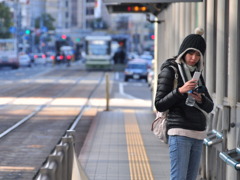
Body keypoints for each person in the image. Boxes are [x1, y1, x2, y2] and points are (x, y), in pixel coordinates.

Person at [154, 28, 214, 180]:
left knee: (190, 178)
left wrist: (200, 98)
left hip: (198, 132)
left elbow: (210, 106)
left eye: (198, 54)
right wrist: (180, 91)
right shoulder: (170, 71)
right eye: (190, 53)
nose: (193, 58)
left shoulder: (197, 75)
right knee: (179, 177)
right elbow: (159, 104)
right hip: (179, 132)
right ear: (183, 53)